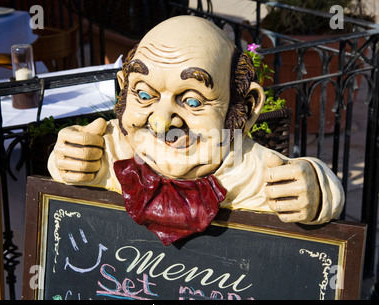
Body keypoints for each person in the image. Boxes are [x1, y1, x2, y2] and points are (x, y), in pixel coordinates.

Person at [47, 16, 344, 245]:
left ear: (246, 106)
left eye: (192, 100)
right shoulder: (111, 148)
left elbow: (315, 189)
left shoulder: (256, 172)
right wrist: (69, 158)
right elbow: (68, 165)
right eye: (144, 95)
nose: (162, 122)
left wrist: (317, 190)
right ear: (124, 89)